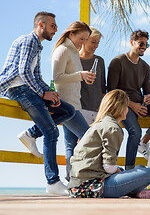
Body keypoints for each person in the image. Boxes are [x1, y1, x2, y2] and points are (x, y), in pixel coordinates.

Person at [0, 12, 76, 195]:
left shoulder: (37, 46)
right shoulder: (29, 41)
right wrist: (43, 93)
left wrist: (50, 93)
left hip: (29, 88)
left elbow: (35, 76)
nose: (56, 29)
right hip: (18, 88)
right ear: (41, 25)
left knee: (68, 110)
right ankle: (53, 182)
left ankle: (30, 134)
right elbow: (24, 72)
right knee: (51, 131)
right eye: (53, 26)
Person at [68, 89, 150, 199]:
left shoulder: (101, 124)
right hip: (93, 188)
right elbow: (109, 167)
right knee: (147, 173)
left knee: (138, 168)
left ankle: (137, 193)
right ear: (121, 108)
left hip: (77, 186)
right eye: (126, 107)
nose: (127, 110)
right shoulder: (112, 128)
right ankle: (136, 192)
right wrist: (121, 172)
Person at [107, 30, 150, 169]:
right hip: (122, 104)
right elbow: (111, 92)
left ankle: (144, 142)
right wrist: (132, 105)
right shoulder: (117, 62)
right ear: (132, 43)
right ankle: (129, 170)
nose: (144, 47)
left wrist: (149, 98)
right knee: (135, 131)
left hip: (140, 104)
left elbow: (149, 92)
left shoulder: (146, 67)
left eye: (146, 45)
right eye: (141, 43)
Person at [52, 21, 94, 181]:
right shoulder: (62, 50)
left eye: (85, 40)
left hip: (75, 104)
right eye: (81, 39)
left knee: (71, 145)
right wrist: (80, 75)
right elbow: (57, 78)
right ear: (71, 34)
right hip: (67, 105)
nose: (83, 43)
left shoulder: (74, 52)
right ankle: (84, 177)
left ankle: (71, 179)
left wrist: (82, 77)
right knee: (88, 138)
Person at [79, 26, 106, 125]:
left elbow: (102, 87)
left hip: (96, 110)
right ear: (85, 40)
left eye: (98, 43)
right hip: (79, 109)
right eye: (93, 42)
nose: (96, 46)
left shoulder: (100, 61)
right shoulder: (74, 59)